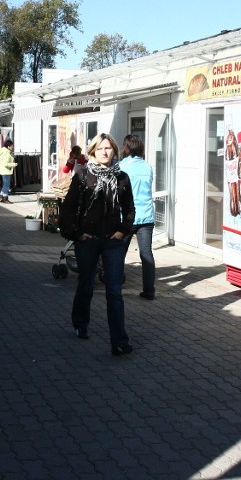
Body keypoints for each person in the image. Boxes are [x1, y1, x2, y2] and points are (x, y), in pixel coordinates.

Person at [59, 133, 135, 356]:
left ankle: (119, 341)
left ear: (114, 151)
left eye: (109, 148)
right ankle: (80, 323)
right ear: (92, 151)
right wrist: (76, 233)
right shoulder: (83, 176)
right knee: (86, 284)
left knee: (114, 290)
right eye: (100, 148)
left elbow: (130, 210)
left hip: (112, 242)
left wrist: (123, 231)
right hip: (88, 240)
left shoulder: (122, 178)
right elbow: (69, 208)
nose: (105, 152)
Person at [119, 135, 156, 300]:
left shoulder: (121, 166)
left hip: (127, 217)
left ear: (126, 148)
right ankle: (149, 291)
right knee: (146, 254)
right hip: (147, 216)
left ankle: (116, 284)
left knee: (119, 253)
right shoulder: (148, 167)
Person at [0, 139, 17, 204]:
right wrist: (14, 164)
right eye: (12, 146)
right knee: (6, 185)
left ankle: (1, 197)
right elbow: (5, 164)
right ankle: (5, 198)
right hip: (6, 171)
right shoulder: (6, 153)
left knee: (5, 185)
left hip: (4, 171)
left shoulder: (6, 152)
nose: (12, 147)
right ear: (8, 146)